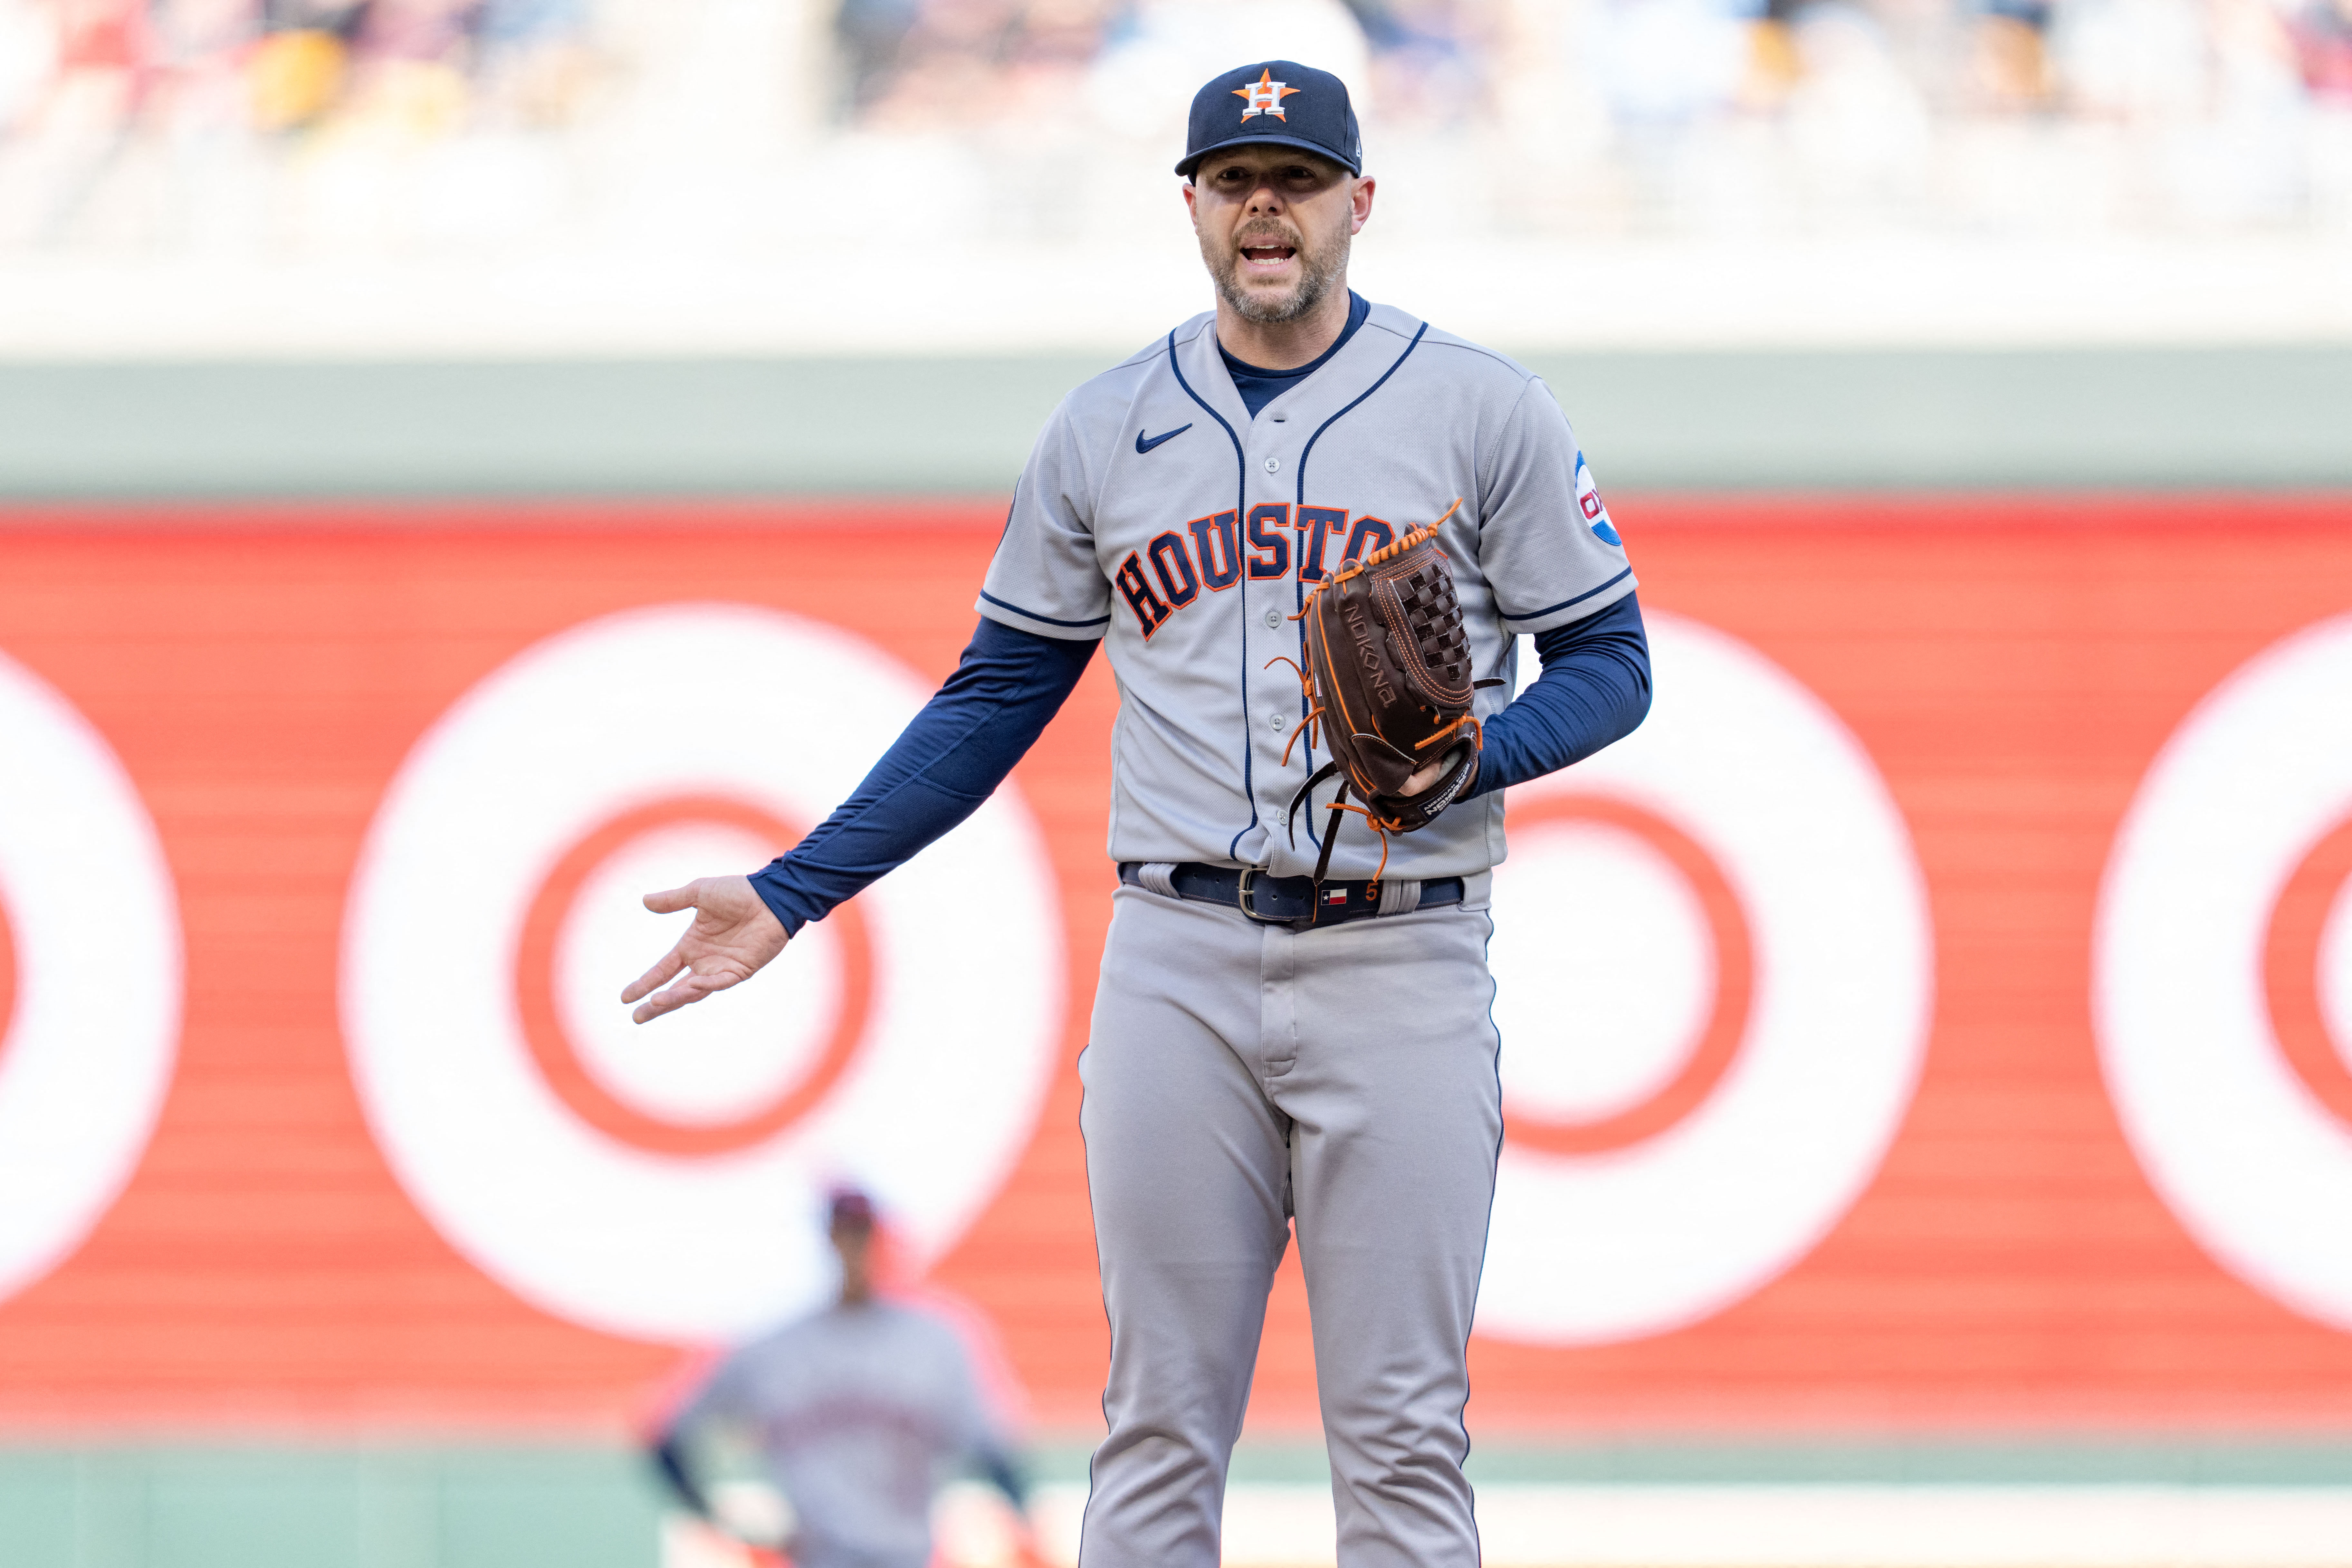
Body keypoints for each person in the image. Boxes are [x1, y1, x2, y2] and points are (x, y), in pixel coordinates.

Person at [623, 59, 1652, 1568]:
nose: (1263, 204)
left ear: (1358, 202)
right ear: (1189, 204)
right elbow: (992, 697)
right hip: (1176, 950)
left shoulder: (1478, 407)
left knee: (1402, 1430)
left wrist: (1467, 755)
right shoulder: (1105, 428)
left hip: (1404, 953)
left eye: (1295, 178)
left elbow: (1612, 663)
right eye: (1233, 178)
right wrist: (794, 888)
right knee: (1158, 1420)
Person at [651, 1187, 1031, 1568]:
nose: (854, 1248)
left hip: (908, 1554)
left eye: (861, 1233)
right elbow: (669, 1435)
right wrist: (722, 1523)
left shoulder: (937, 1341)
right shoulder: (774, 1348)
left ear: (879, 1237)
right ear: (828, 1239)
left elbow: (994, 1452)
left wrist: (1025, 1528)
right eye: (844, 1233)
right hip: (820, 1555)